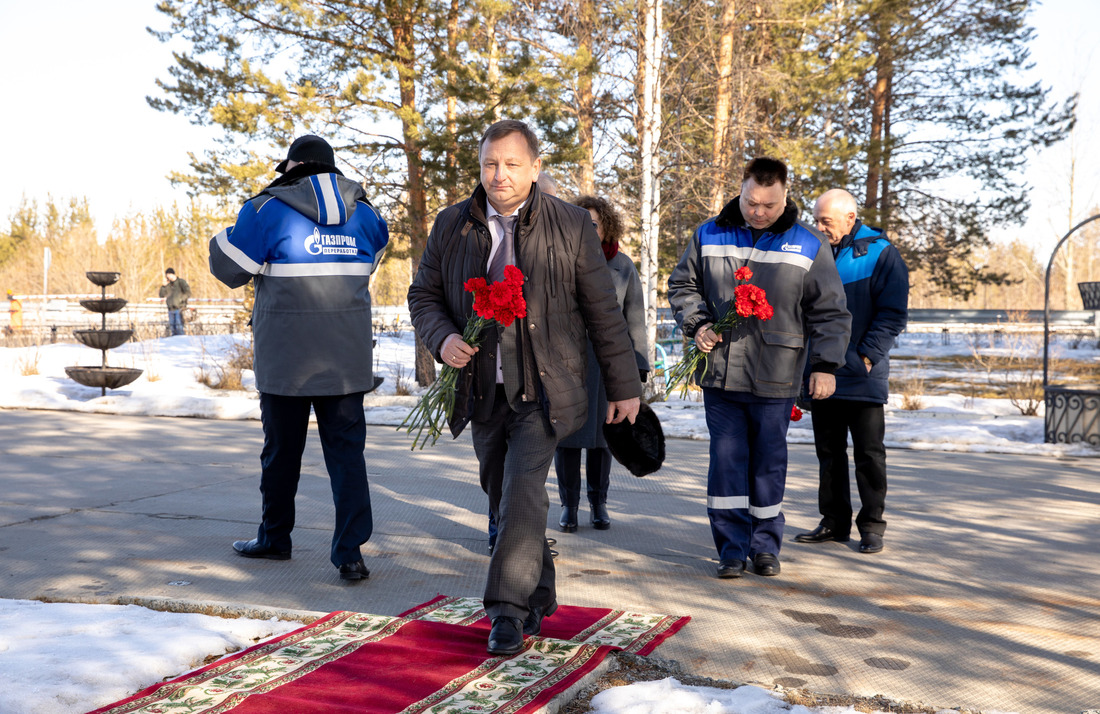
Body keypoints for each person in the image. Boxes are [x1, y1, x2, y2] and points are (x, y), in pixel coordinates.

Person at [407, 120, 642, 655]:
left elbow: (603, 312)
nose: (500, 175)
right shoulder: (452, 225)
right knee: (503, 494)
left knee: (521, 491)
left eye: (512, 164)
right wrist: (442, 339)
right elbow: (423, 295)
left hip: (546, 388)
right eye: (491, 164)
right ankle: (541, 588)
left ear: (535, 168)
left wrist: (625, 385)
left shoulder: (572, 224)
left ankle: (506, 613)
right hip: (479, 387)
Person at [209, 134, 389, 582]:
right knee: (348, 457)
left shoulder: (265, 210)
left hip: (287, 358)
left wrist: (220, 235)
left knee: (282, 453)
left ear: (291, 168)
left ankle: (275, 538)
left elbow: (231, 269)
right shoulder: (366, 214)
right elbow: (371, 263)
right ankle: (350, 554)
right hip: (345, 360)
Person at [667, 157, 851, 580]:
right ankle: (731, 549)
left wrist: (824, 365)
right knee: (726, 461)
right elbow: (683, 285)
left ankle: (765, 546)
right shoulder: (709, 233)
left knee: (768, 462)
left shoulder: (808, 243)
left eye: (769, 205)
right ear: (742, 189)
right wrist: (698, 325)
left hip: (778, 374)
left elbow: (830, 312)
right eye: (752, 202)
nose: (759, 212)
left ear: (784, 197)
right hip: (720, 373)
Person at [795, 189, 909, 555]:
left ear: (849, 217)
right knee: (828, 453)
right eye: (816, 219)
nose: (819, 227)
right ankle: (834, 522)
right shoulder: (814, 251)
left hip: (862, 374)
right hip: (821, 374)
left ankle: (872, 526)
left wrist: (867, 358)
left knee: (869, 454)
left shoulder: (881, 253)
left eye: (825, 220)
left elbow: (892, 313)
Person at [555, 196, 649, 533]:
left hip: (607, 366)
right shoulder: (560, 261)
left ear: (606, 227)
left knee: (602, 437)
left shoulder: (622, 266)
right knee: (566, 438)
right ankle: (569, 506)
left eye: (593, 224)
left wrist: (637, 367)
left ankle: (598, 502)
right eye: (581, 223)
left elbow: (634, 318)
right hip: (566, 364)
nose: (588, 229)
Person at [159, 268, 192, 336]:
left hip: (179, 308)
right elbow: (161, 295)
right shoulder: (168, 285)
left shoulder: (181, 282)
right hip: (170, 309)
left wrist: (181, 299)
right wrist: (163, 286)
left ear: (172, 274)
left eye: (169, 275)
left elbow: (188, 293)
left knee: (179, 327)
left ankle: (181, 340)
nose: (168, 277)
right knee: (172, 328)